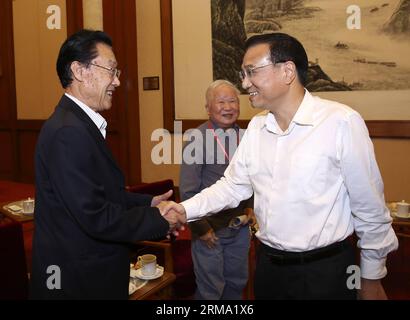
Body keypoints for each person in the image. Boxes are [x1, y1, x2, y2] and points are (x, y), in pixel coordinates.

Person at [165, 33, 398, 300]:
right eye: (243, 73)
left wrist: (371, 278)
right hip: (269, 269)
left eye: (251, 71)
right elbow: (231, 187)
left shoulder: (341, 122)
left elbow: (369, 209)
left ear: (287, 71)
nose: (244, 83)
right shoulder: (256, 127)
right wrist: (183, 210)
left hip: (326, 271)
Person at [31, 29, 181, 300]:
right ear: (79, 70)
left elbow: (101, 194)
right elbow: (95, 216)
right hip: (77, 282)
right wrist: (159, 219)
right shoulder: (69, 131)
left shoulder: (77, 123)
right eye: (111, 70)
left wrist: (148, 204)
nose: (117, 81)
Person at [180, 80, 254, 300]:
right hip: (210, 231)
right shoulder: (196, 138)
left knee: (237, 283)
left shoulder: (247, 137)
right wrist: (201, 228)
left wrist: (250, 208)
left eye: (233, 101)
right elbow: (187, 190)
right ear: (208, 107)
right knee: (211, 290)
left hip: (239, 228)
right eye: (221, 102)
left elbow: (250, 178)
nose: (228, 107)